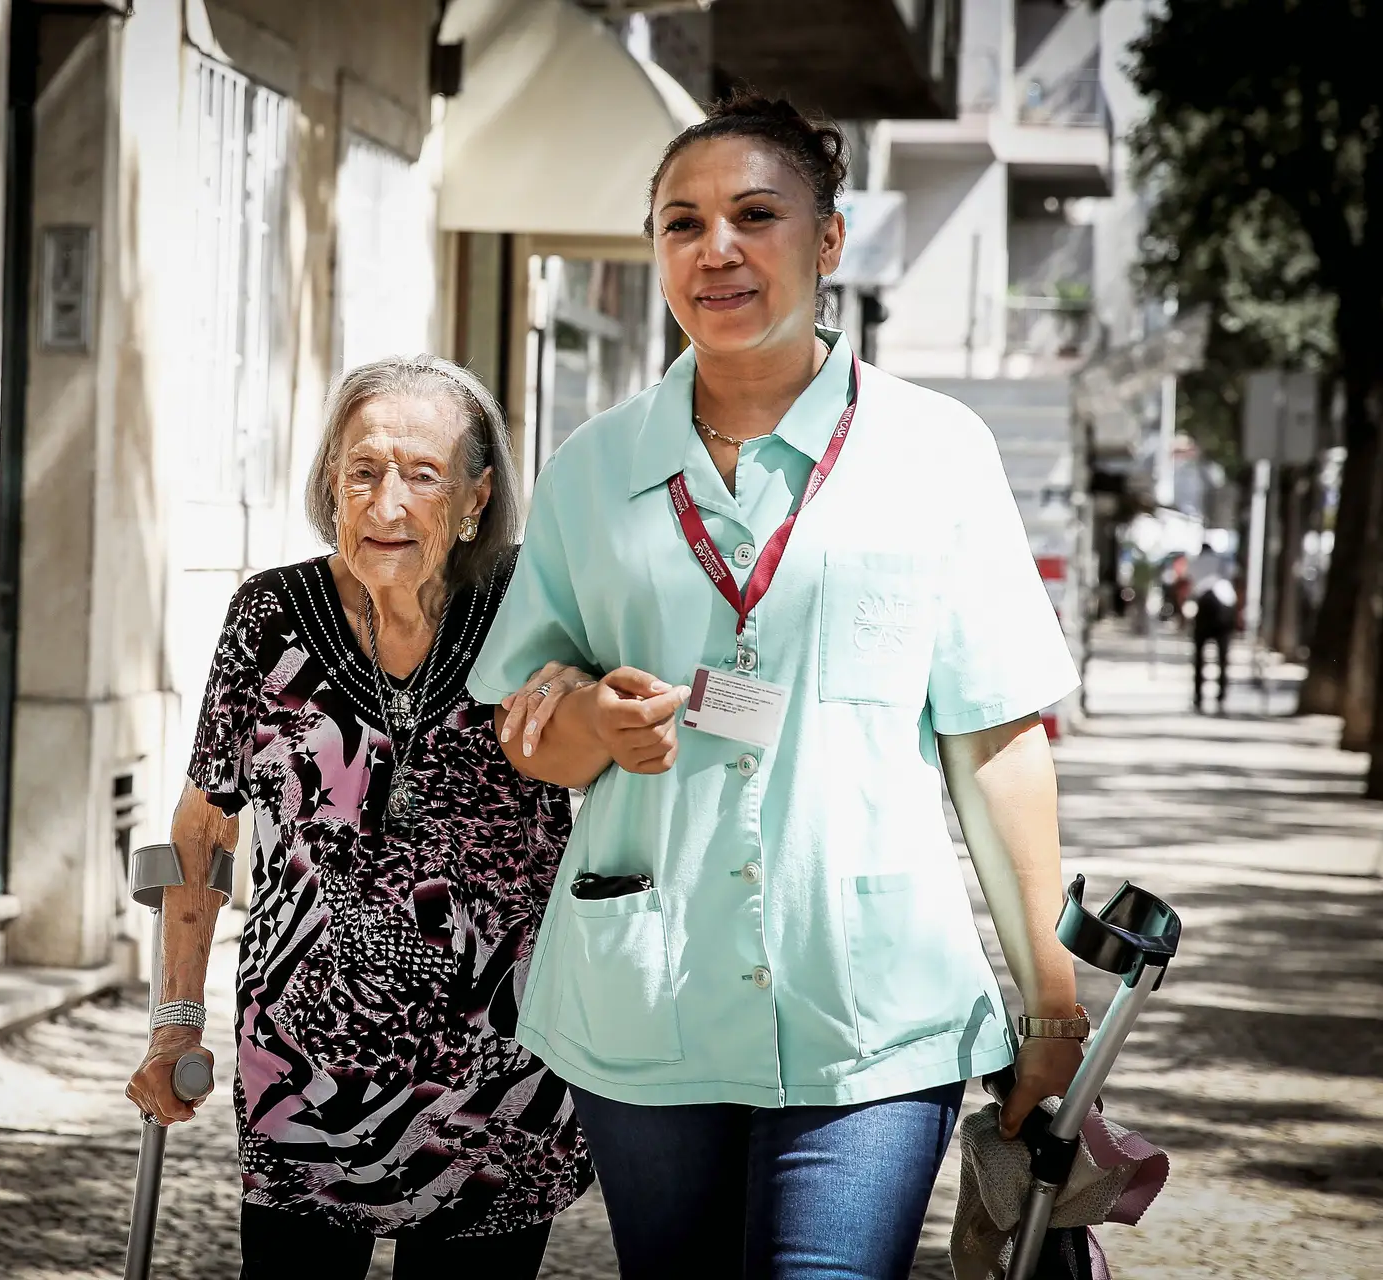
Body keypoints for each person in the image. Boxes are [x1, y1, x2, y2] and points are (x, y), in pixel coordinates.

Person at [468, 93, 1088, 1280]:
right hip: (648, 988)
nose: (718, 249)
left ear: (829, 240)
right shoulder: (592, 469)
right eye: (681, 222)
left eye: (757, 214)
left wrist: (1050, 1007)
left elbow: (998, 738)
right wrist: (591, 720)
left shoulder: (936, 452)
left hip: (874, 999)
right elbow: (527, 730)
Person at [126, 357, 591, 1279]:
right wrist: (177, 1021)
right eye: (363, 471)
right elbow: (205, 827)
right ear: (330, 483)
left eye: (421, 474)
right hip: (305, 1073)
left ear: (474, 494)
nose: (386, 503)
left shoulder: (533, 605)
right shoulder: (269, 617)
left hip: (500, 1075)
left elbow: (625, 739)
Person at [1187, 540, 1238, 713]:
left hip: (1203, 607)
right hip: (1224, 608)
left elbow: (1190, 585)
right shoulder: (1222, 563)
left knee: (1199, 657)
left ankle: (1198, 696)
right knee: (1223, 656)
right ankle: (1221, 694)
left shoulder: (1195, 564)